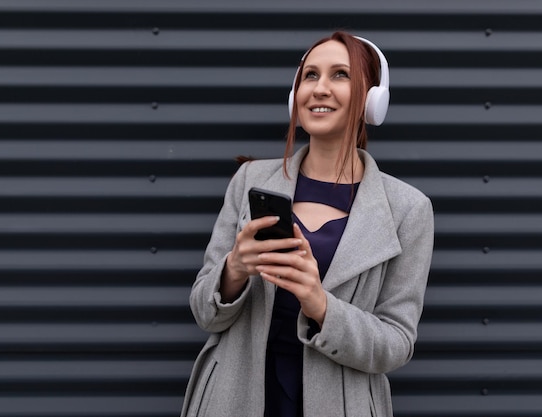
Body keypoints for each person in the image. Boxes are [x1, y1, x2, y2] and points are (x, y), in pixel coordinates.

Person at [180, 31, 434, 417]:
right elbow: (204, 313)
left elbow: (396, 344)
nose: (319, 88)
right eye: (310, 76)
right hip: (232, 400)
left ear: (372, 99)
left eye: (340, 75)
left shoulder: (408, 209)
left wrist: (321, 306)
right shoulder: (250, 181)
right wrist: (234, 269)